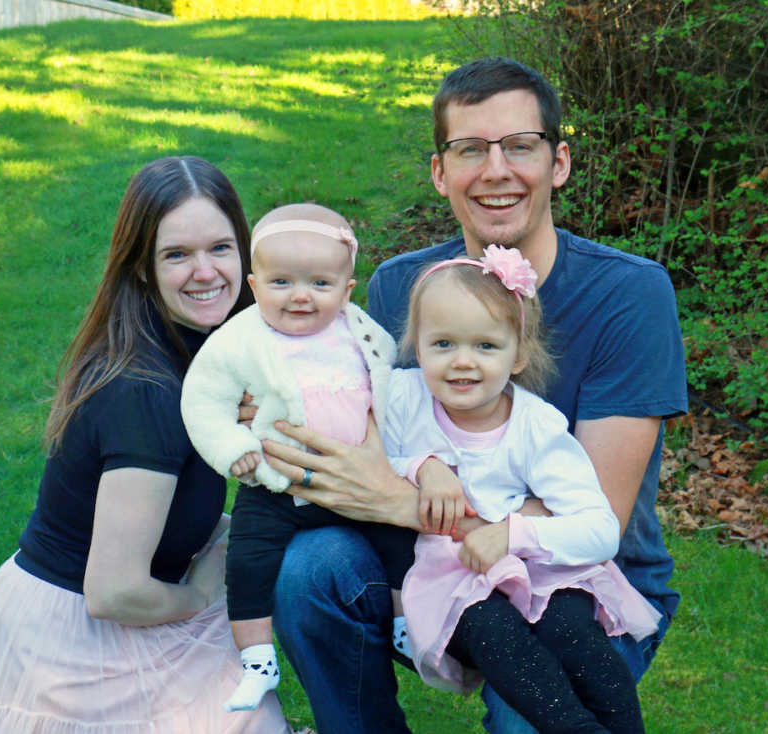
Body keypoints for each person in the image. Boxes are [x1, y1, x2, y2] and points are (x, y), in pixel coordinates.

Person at [260, 57, 688, 734]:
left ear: (559, 163)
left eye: (520, 146)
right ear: (440, 171)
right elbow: (379, 433)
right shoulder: (403, 289)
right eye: (469, 150)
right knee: (308, 572)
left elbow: (590, 511)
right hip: (444, 566)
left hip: (582, 575)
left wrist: (401, 498)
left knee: (531, 719)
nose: (495, 171)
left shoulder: (629, 295)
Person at [0, 156, 291, 734]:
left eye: (220, 247)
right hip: (79, 641)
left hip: (104, 603)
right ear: (140, 268)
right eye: (176, 255)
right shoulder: (146, 391)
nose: (205, 272)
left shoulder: (198, 359)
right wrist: (202, 593)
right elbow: (114, 592)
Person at [384, 250, 661, 733]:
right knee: (497, 635)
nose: (463, 362)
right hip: (453, 579)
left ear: (520, 354)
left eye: (487, 346)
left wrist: (513, 535)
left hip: (537, 567)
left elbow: (599, 530)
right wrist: (423, 466)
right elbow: (361, 449)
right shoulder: (404, 398)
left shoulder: (535, 425)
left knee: (571, 631)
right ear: (417, 346)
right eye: (443, 343)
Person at [180, 203, 415, 713]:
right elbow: (202, 401)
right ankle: (258, 660)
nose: (301, 297)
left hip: (360, 480)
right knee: (247, 561)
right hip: (277, 484)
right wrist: (234, 448)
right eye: (281, 282)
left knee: (400, 541)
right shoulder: (240, 340)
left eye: (320, 284)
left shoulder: (361, 331)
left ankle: (404, 624)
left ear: (347, 290)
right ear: (254, 283)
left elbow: (390, 377)